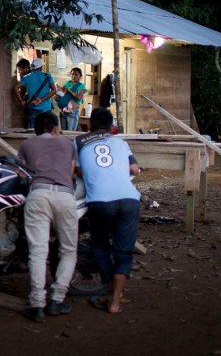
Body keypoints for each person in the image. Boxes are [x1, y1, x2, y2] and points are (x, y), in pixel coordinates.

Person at [73, 107, 141, 315]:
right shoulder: (121, 143)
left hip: (100, 201)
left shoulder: (78, 142)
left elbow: (76, 169)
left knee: (100, 246)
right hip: (129, 200)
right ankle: (115, 301)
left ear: (90, 124)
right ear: (111, 126)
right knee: (124, 252)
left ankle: (109, 291)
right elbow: (134, 169)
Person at [18, 111, 79, 323]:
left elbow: (21, 174)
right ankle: (57, 300)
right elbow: (70, 173)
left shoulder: (26, 144)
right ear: (55, 129)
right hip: (65, 197)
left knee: (37, 252)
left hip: (38, 195)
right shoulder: (68, 145)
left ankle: (37, 305)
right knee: (69, 250)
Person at [19, 58, 56, 129]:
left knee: (32, 132)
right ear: (41, 67)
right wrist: (41, 100)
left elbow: (15, 88)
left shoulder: (27, 77)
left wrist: (21, 100)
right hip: (46, 108)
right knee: (46, 131)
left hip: (33, 108)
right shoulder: (47, 76)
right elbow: (54, 90)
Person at [55, 67, 87, 132]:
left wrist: (69, 91)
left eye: (76, 74)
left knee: (70, 133)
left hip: (72, 112)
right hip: (63, 111)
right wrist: (57, 95)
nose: (74, 76)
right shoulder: (68, 83)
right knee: (63, 133)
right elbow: (61, 90)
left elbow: (78, 97)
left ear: (80, 76)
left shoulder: (81, 86)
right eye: (72, 74)